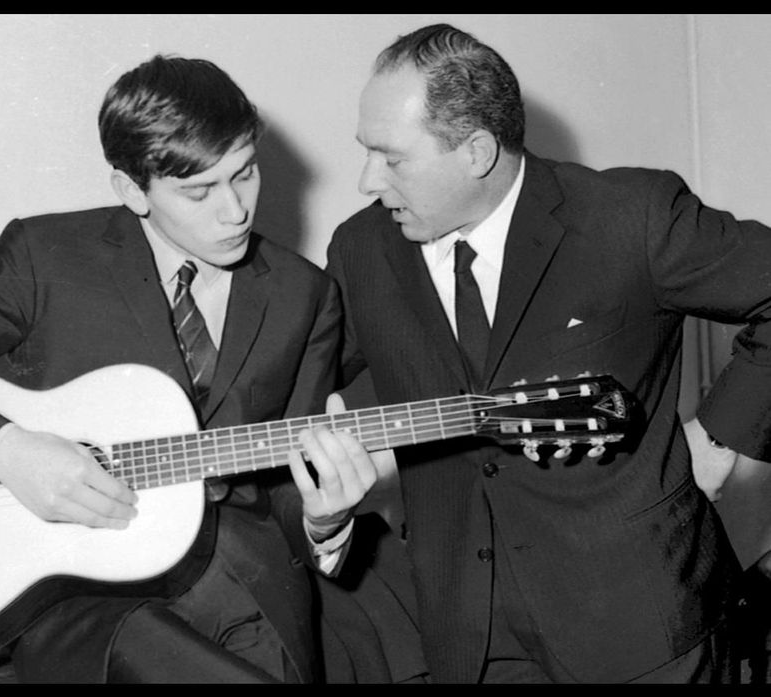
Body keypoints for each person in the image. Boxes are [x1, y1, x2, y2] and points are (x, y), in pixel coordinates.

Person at [0, 54, 388, 684]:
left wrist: (325, 521)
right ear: (131, 189)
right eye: (199, 191)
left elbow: (284, 482)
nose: (235, 211)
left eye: (244, 174)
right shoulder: (46, 258)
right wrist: (6, 452)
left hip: (246, 589)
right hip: (85, 598)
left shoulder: (304, 294)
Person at [326, 22, 771, 684]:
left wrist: (716, 439)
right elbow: (301, 383)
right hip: (469, 642)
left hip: (636, 629)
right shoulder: (360, 250)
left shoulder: (630, 218)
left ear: (477, 152)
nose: (368, 180)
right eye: (367, 152)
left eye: (392, 158)